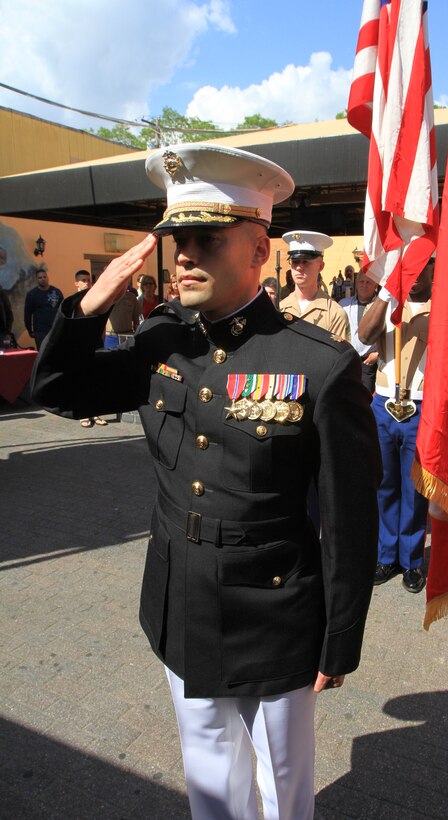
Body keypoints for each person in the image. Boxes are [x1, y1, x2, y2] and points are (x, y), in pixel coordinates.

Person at [31, 143, 381, 820]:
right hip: (182, 597)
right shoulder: (164, 341)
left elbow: (347, 517)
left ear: (257, 250)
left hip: (277, 611)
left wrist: (340, 639)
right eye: (177, 239)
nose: (185, 254)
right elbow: (58, 390)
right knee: (211, 778)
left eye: (206, 240)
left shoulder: (319, 365)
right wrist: (87, 309)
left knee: (283, 783)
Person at [359, 257, 435, 593]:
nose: (416, 275)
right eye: (410, 268)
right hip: (384, 404)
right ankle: (386, 555)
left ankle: (412, 561)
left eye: (424, 267)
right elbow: (364, 334)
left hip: (422, 406)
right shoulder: (388, 302)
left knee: (415, 489)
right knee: (384, 485)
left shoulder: (442, 305)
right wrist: (388, 292)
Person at [279, 231, 351, 341]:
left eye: (306, 262)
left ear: (320, 266)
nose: (299, 267)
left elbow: (336, 357)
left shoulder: (334, 314)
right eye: (295, 262)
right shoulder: (280, 309)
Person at [73, 269, 108, 428]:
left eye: (88, 280)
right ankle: (82, 413)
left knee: (95, 380)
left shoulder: (95, 300)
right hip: (78, 345)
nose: (87, 282)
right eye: (83, 280)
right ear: (77, 283)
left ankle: (95, 412)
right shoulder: (72, 302)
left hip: (95, 344)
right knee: (80, 380)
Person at [340, 269, 380, 394]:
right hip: (348, 361)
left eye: (368, 282)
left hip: (369, 363)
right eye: (361, 281)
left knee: (365, 400)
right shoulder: (343, 304)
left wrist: (378, 354)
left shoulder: (382, 306)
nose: (364, 285)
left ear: (375, 285)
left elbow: (389, 334)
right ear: (356, 284)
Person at [24, 268, 63, 350]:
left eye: (44, 277)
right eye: (40, 277)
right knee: (43, 353)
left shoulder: (56, 292)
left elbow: (63, 309)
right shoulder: (32, 294)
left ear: (48, 278)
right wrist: (30, 330)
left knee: (57, 351)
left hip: (55, 329)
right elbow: (27, 314)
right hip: (40, 331)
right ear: (37, 280)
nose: (43, 279)